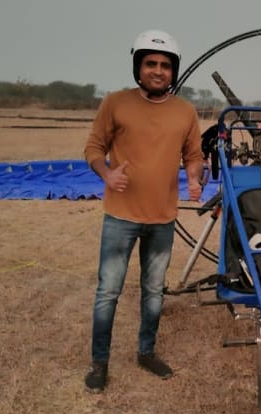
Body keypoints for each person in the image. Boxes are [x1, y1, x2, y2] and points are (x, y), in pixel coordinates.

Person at [83, 29, 204, 392]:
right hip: (121, 217)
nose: (158, 70)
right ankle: (99, 362)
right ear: (138, 66)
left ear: (173, 71)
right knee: (109, 291)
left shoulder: (185, 111)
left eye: (165, 65)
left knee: (154, 291)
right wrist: (107, 173)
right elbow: (93, 147)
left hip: (163, 219)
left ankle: (146, 352)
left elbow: (193, 156)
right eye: (150, 63)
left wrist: (195, 178)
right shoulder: (116, 102)